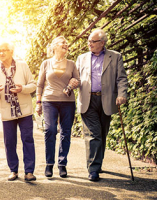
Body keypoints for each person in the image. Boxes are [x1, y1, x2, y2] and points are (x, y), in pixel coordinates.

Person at [76, 29, 128, 181]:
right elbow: (76, 78)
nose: (89, 44)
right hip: (88, 100)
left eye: (92, 41)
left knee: (102, 134)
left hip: (106, 100)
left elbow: (122, 78)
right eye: (89, 41)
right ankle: (93, 169)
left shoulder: (115, 56)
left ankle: (97, 164)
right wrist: (72, 83)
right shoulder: (82, 58)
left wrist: (122, 94)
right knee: (94, 134)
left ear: (102, 43)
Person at [0, 42, 37, 182]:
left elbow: (33, 85)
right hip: (7, 111)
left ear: (11, 52)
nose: (1, 53)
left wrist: (22, 88)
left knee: (27, 139)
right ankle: (13, 170)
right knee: (9, 142)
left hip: (24, 110)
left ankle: (29, 172)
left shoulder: (22, 65)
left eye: (4, 50)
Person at [36, 36, 80, 178]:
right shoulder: (46, 63)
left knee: (66, 132)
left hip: (68, 102)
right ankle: (49, 164)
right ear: (54, 46)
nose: (66, 45)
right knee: (50, 130)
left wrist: (75, 82)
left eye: (67, 43)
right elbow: (40, 84)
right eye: (63, 43)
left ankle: (62, 164)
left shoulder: (72, 64)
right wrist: (38, 102)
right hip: (49, 101)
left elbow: (78, 80)